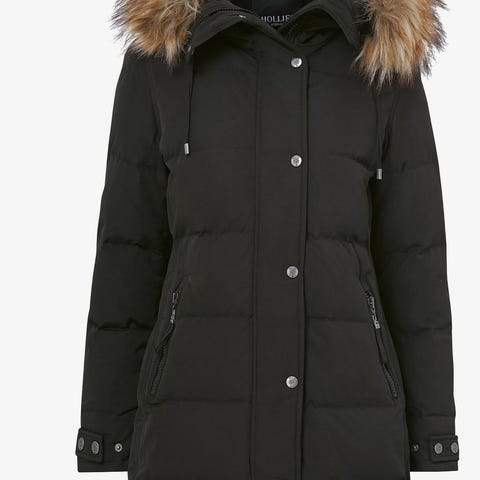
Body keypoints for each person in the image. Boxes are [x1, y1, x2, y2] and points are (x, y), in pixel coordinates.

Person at [76, 1, 459, 478]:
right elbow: (128, 253)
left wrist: (432, 431)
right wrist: (106, 430)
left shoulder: (381, 55)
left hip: (350, 432)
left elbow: (414, 257)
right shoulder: (163, 53)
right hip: (189, 434)